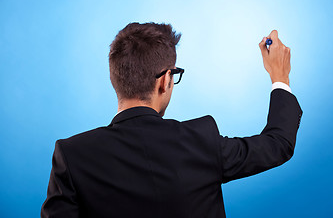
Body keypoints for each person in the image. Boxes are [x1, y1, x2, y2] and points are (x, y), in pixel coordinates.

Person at [41, 22, 302, 218]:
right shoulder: (201, 140)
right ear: (166, 80)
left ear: (114, 79)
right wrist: (279, 76)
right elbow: (277, 143)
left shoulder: (72, 155)